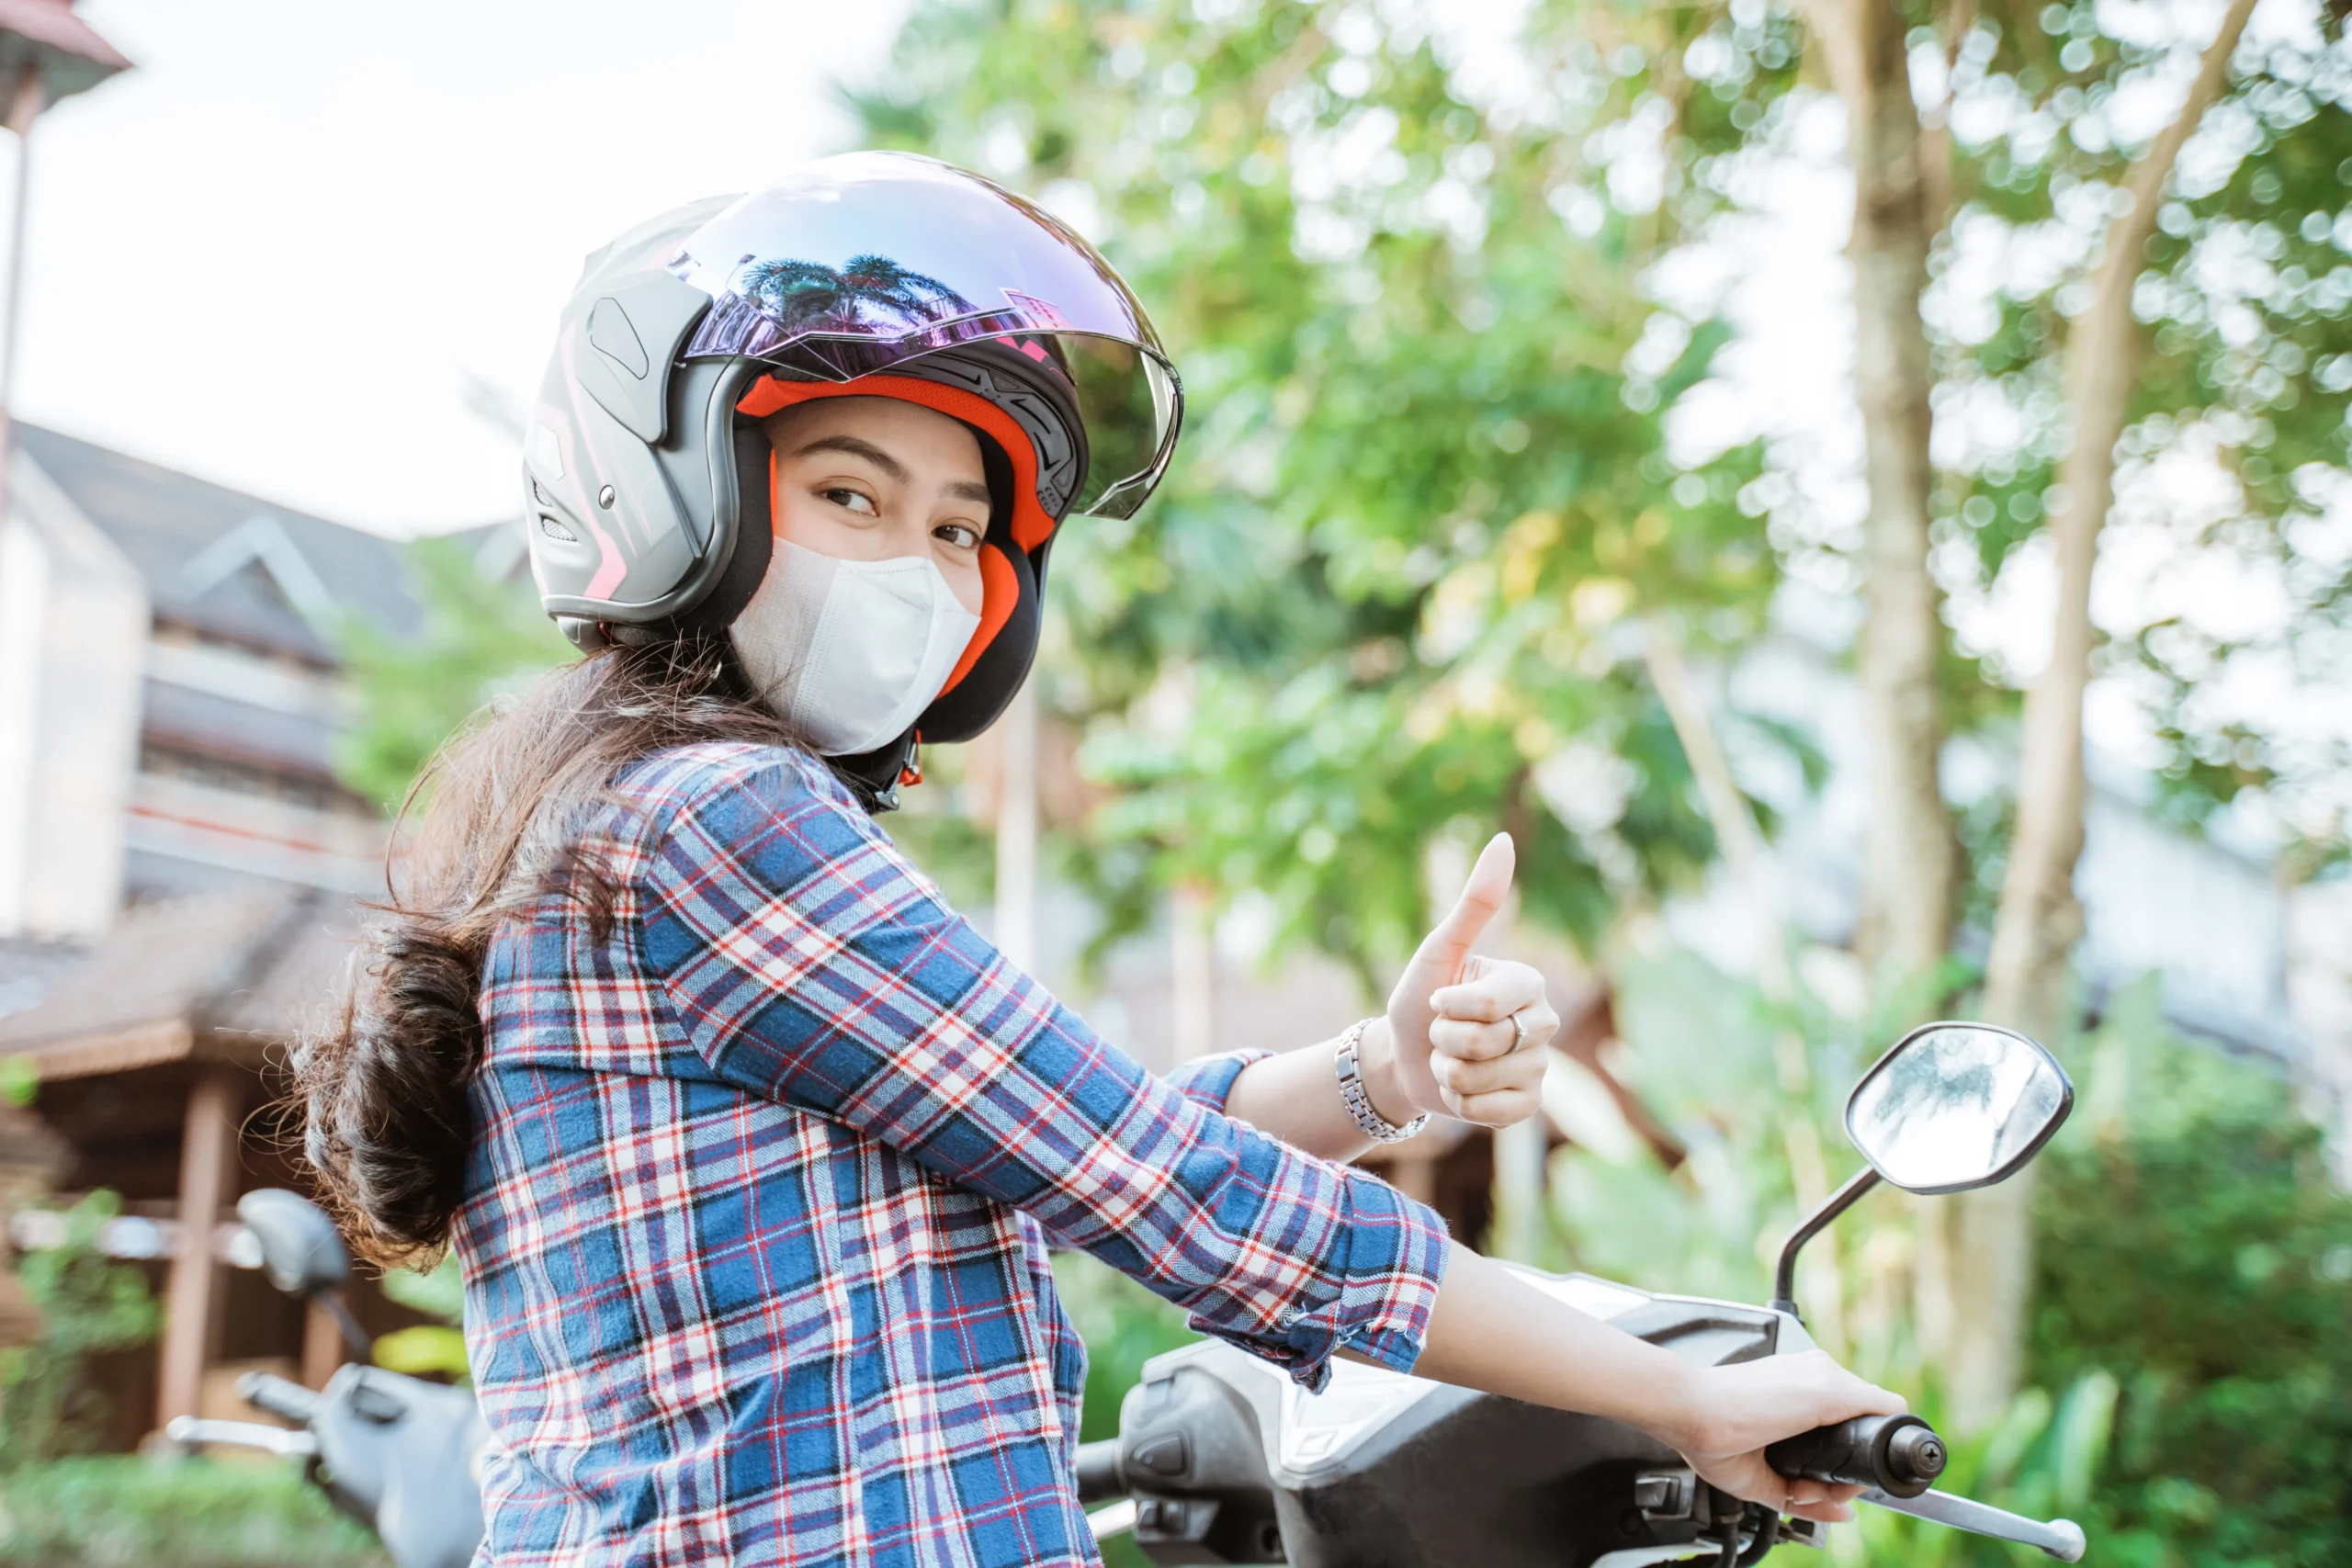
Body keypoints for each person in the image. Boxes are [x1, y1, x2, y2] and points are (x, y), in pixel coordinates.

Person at [297, 152, 1899, 1567]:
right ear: (681, 490)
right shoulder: (716, 821)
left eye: (953, 529)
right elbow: (1170, 1191)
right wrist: (1687, 1392)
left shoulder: (598, 821)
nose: (918, 567)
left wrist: (1374, 1069)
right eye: (850, 490)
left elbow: (1040, 1134)